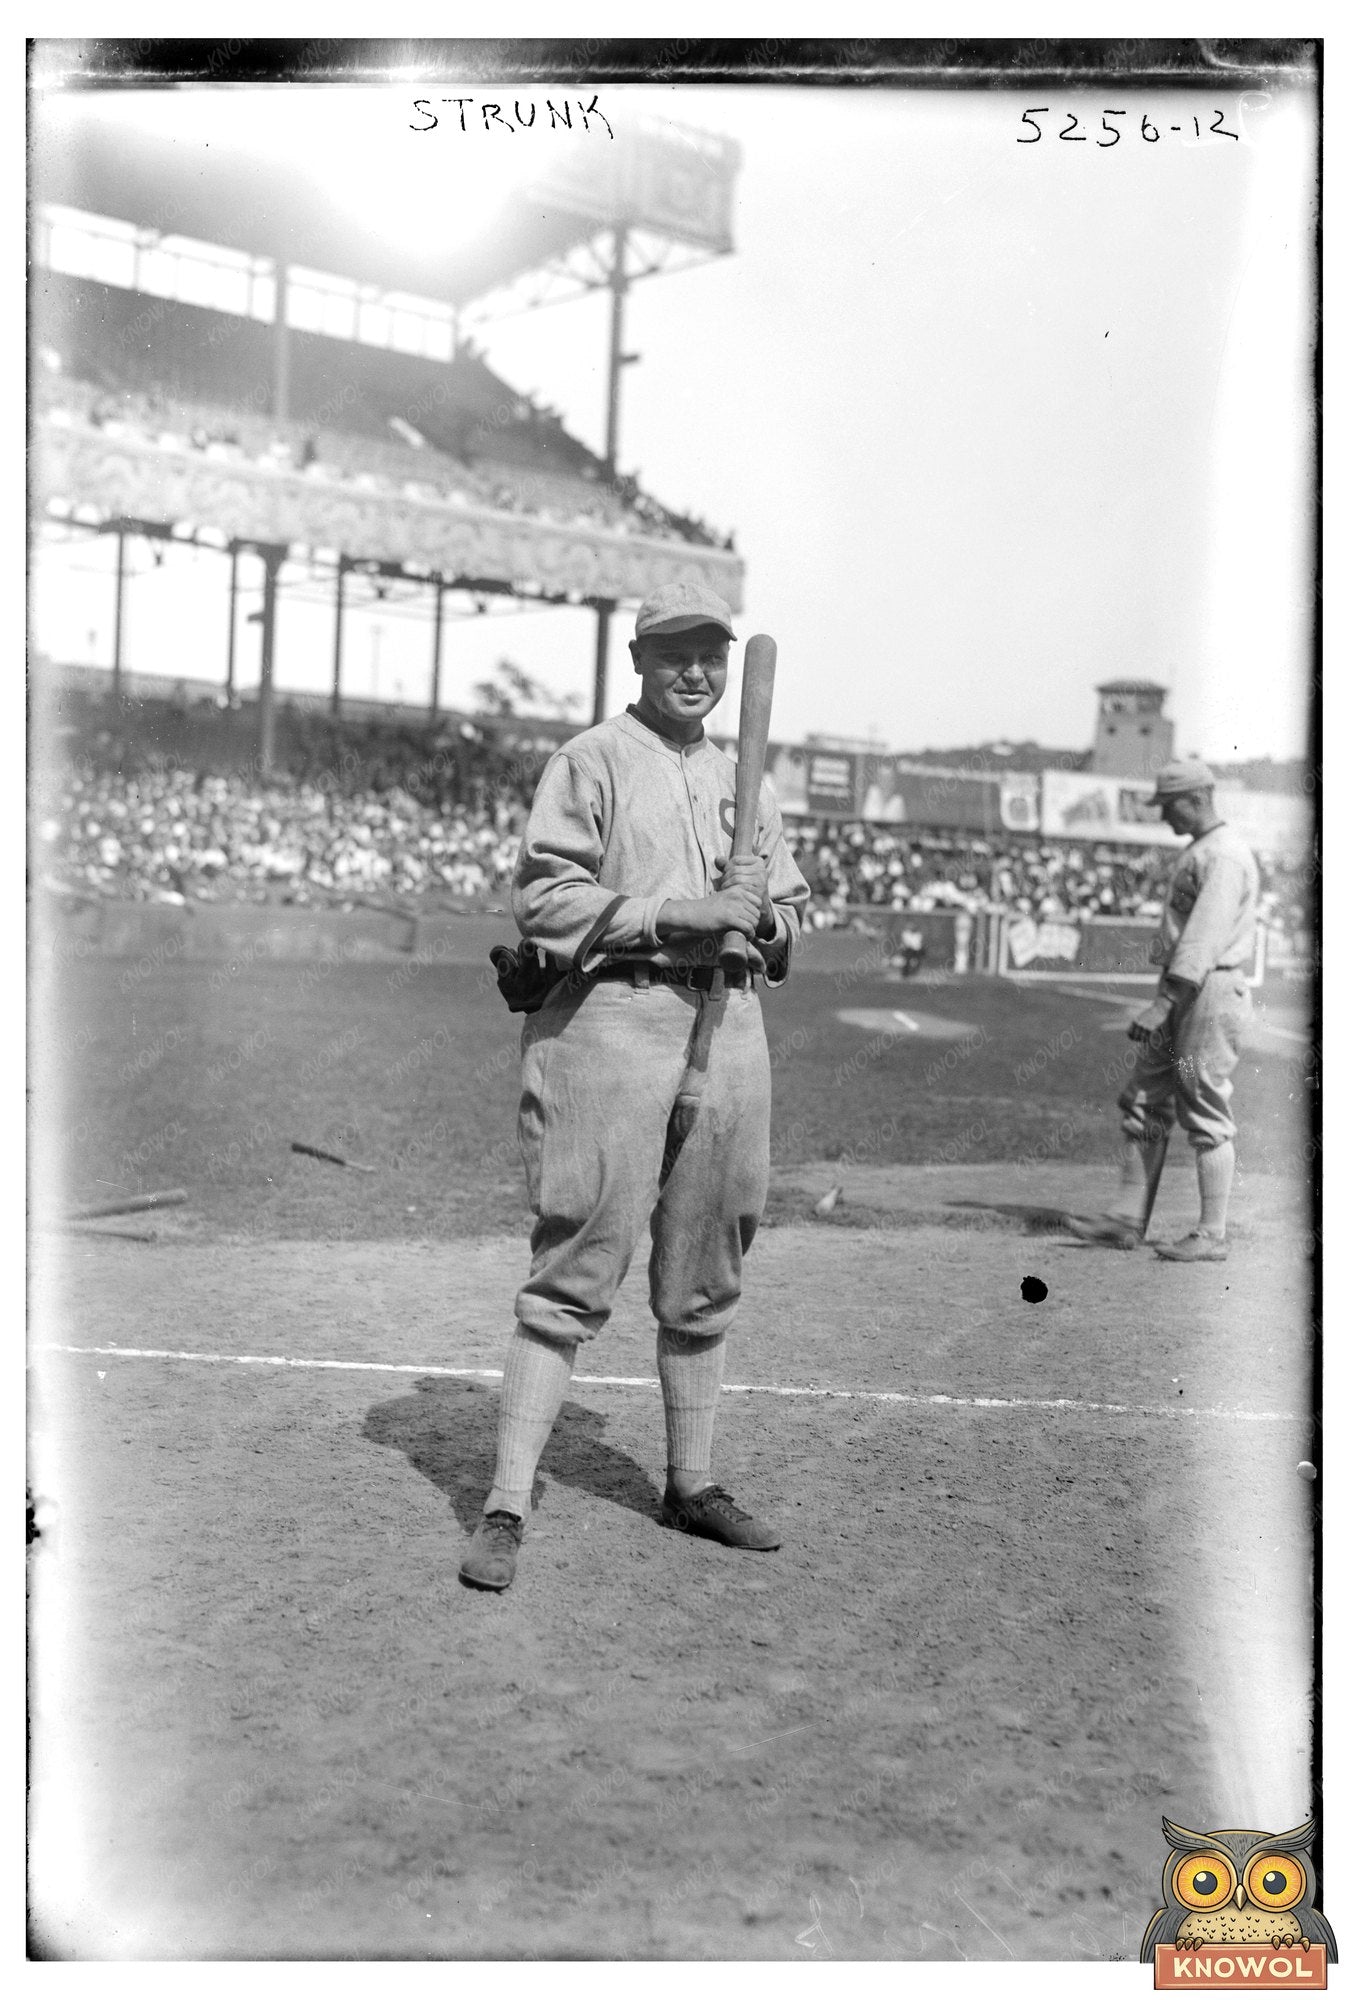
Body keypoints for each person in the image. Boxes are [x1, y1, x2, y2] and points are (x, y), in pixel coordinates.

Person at [459, 582, 811, 1591]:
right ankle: (505, 1504)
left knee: (708, 1266)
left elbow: (789, 911)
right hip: (616, 1019)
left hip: (730, 1021)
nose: (695, 672)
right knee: (576, 1262)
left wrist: (767, 920)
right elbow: (546, 893)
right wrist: (683, 910)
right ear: (641, 662)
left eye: (710, 654)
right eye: (674, 654)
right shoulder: (593, 758)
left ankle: (690, 1483)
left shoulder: (758, 786)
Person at [1066, 759, 1260, 1262]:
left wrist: (1165, 1001)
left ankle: (1211, 1234)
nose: (1162, 815)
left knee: (1200, 1099)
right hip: (1186, 990)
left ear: (1195, 798)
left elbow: (1204, 936)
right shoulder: (1202, 850)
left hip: (1205, 996)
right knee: (1145, 1098)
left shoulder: (1225, 855)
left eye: (1167, 804)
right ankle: (1127, 1219)